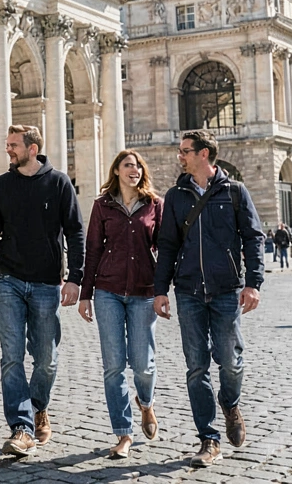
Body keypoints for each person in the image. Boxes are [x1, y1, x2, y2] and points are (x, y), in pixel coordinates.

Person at [154, 130, 263, 468]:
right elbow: (168, 245)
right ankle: (209, 438)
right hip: (188, 291)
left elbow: (253, 237)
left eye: (185, 151)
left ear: (204, 155)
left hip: (227, 289)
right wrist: (161, 289)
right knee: (196, 365)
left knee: (230, 361)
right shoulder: (175, 196)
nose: (179, 156)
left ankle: (230, 403)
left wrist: (254, 283)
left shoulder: (235, 192)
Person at [0, 125, 83, 458]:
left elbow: (75, 231)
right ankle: (21, 428)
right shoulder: (0, 185)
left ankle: (39, 407)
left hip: (47, 283)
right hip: (8, 281)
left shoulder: (59, 182)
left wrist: (75, 277)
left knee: (47, 358)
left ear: (32, 148)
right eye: (7, 144)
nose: (8, 150)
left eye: (13, 146)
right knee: (11, 357)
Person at [78, 150, 163, 459]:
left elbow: (165, 249)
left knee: (143, 364)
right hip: (108, 291)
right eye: (128, 165)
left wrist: (163, 290)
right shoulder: (102, 206)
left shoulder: (155, 205)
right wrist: (86, 293)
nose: (135, 170)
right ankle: (123, 433)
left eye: (138, 166)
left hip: (144, 292)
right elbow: (93, 249)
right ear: (116, 170)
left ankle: (147, 403)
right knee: (113, 367)